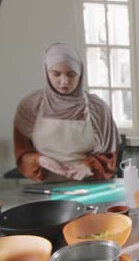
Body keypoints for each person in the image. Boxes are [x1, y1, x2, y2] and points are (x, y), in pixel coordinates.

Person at [13, 42, 120, 182]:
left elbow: (108, 156)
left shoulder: (98, 108)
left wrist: (88, 166)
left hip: (88, 183)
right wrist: (39, 160)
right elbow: (22, 153)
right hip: (44, 186)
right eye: (56, 74)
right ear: (46, 72)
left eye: (71, 74)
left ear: (80, 73)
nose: (64, 81)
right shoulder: (30, 106)